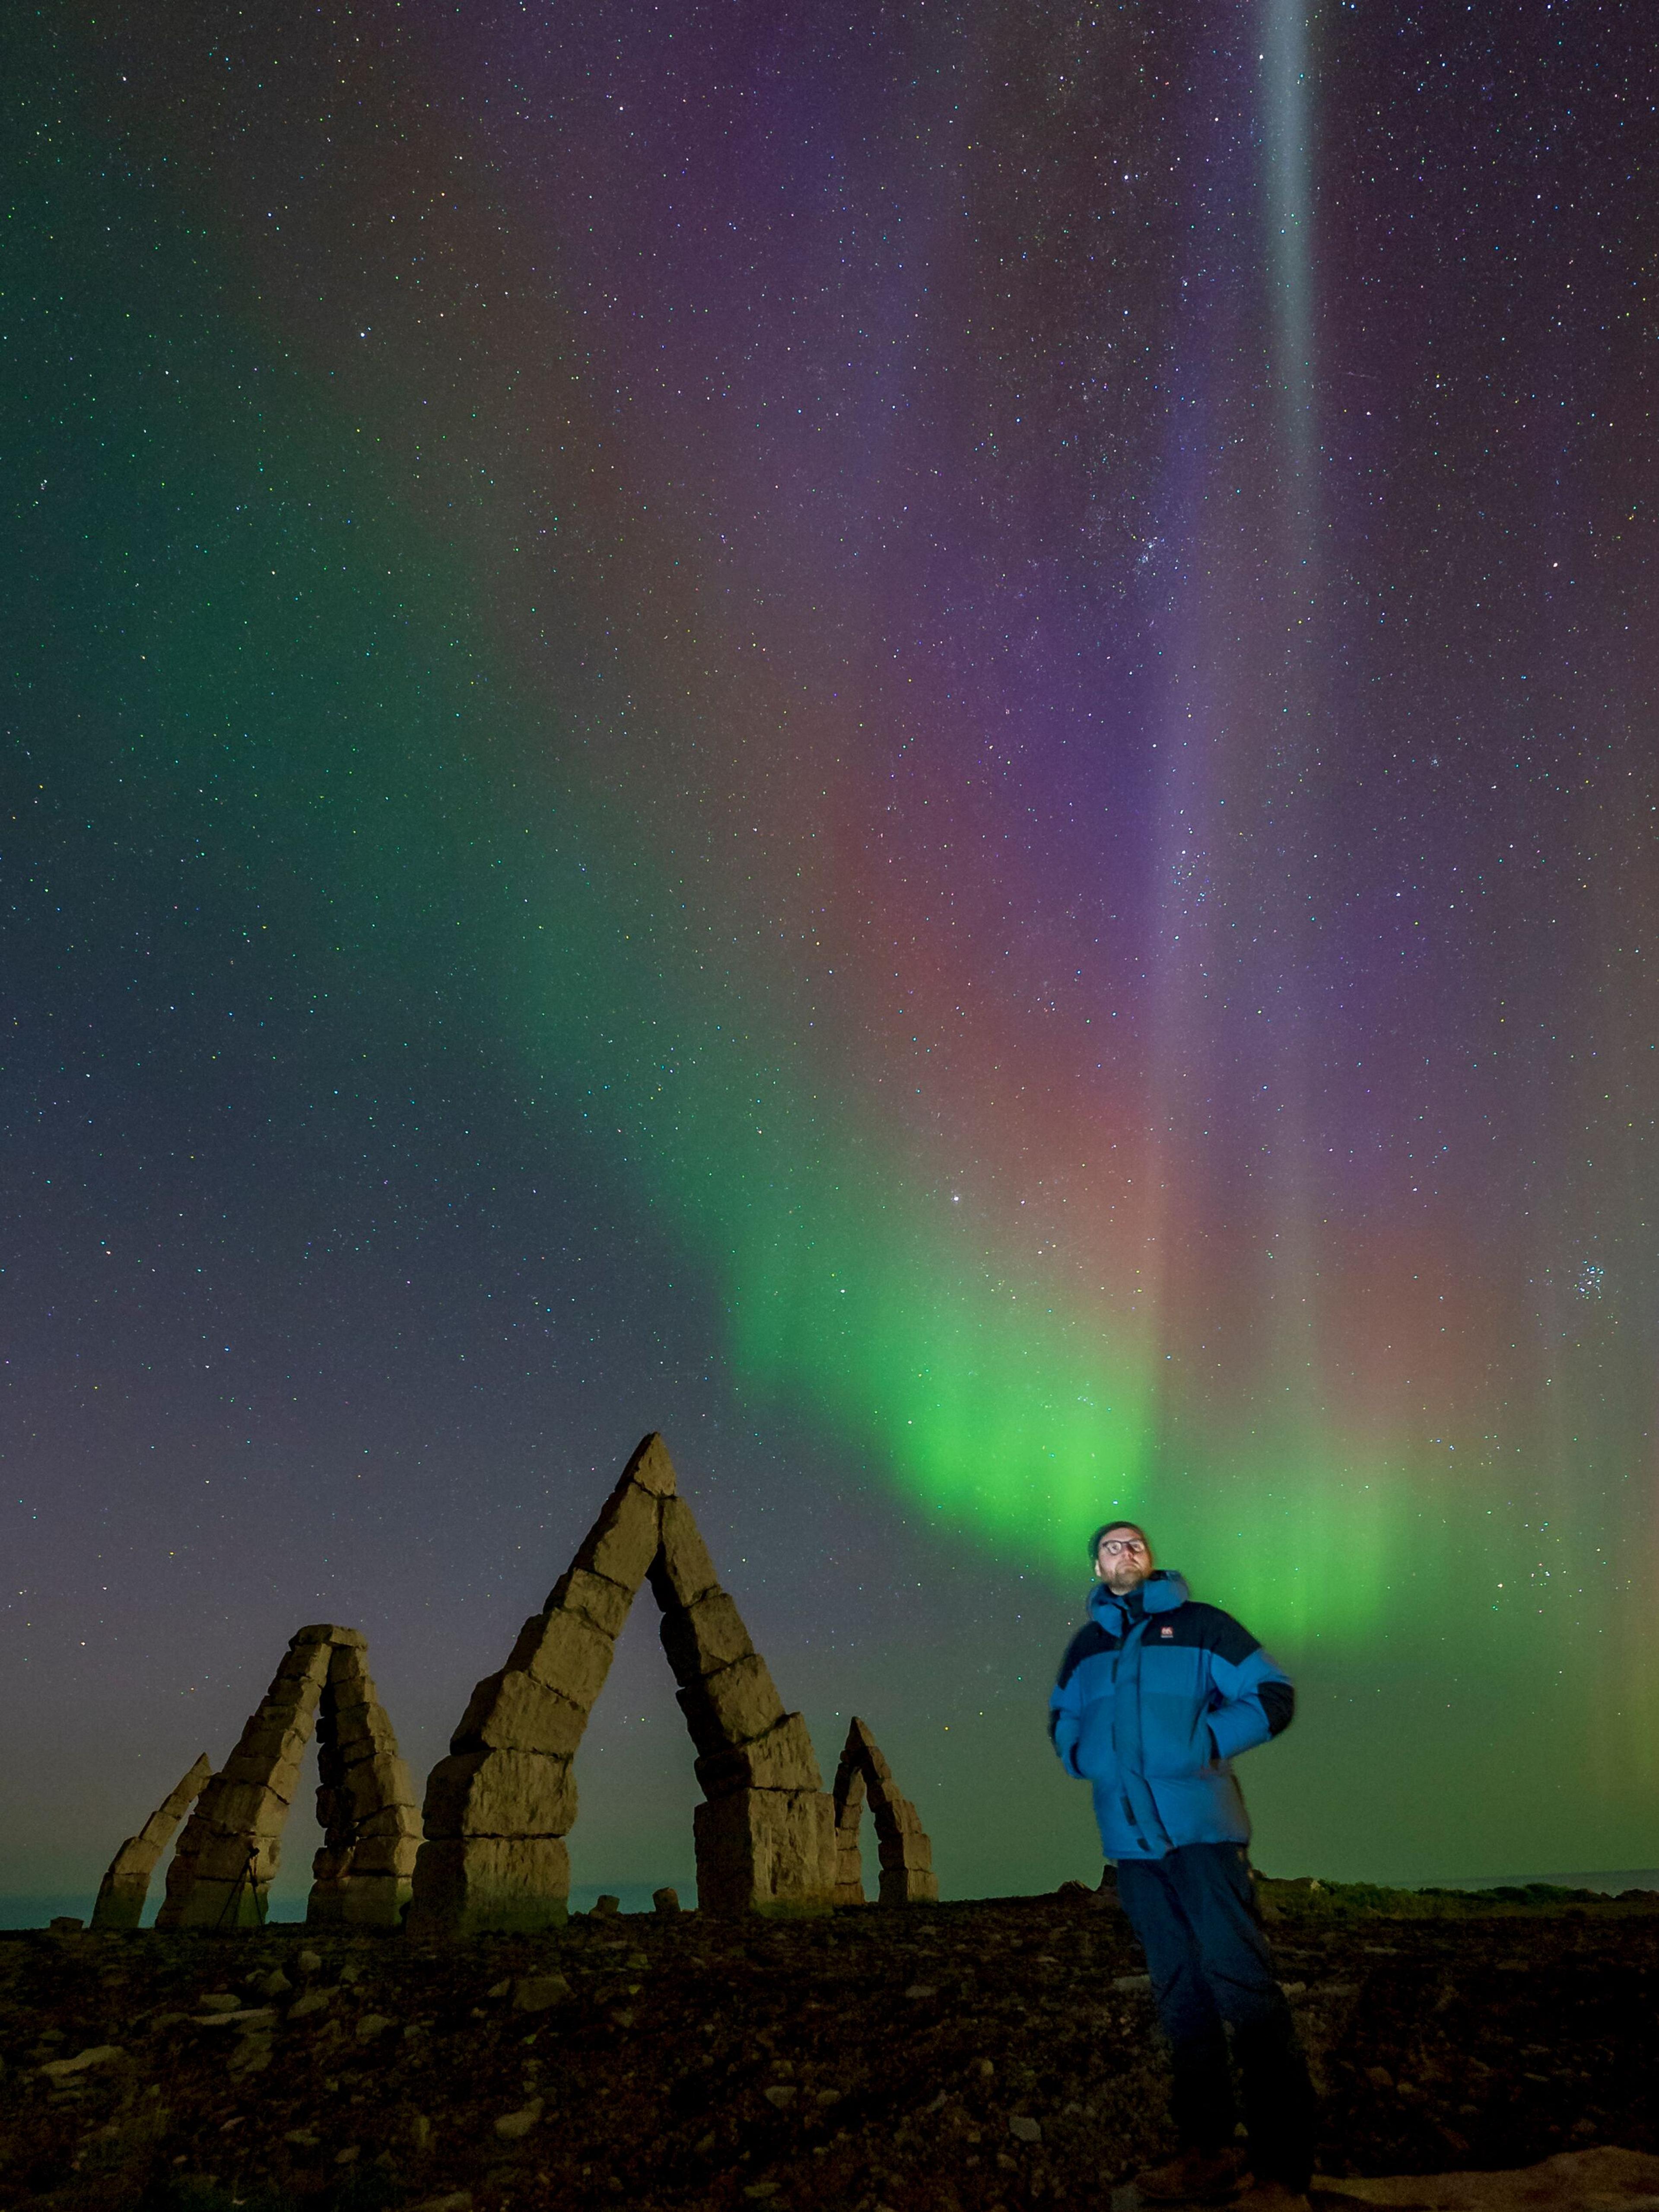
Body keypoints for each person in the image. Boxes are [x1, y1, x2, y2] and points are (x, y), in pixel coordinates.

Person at [1048, 1520, 1314, 2211]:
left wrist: (1207, 1740)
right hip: (1132, 1852)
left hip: (1202, 1837)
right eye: (1110, 1546)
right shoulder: (1087, 1646)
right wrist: (1083, 1756)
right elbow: (1063, 1717)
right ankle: (1208, 2151)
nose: (1124, 1552)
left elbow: (1272, 1694)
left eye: (1134, 1543)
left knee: (1245, 1989)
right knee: (1179, 1994)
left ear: (1150, 1557)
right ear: (1097, 1566)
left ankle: (1282, 2175)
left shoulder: (1204, 1626)